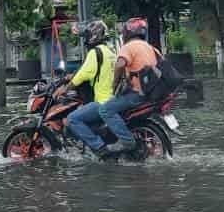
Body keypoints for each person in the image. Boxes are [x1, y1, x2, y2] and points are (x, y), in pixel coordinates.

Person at [96, 17, 159, 155]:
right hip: (151, 93)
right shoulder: (150, 47)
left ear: (128, 33)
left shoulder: (129, 47)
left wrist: (115, 84)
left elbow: (119, 65)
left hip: (137, 95)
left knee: (105, 110)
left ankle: (128, 142)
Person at [65, 20, 118, 154]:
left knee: (72, 118)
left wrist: (66, 88)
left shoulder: (95, 52)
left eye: (87, 36)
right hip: (114, 99)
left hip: (102, 102)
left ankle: (99, 147)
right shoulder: (110, 51)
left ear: (94, 36)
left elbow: (82, 75)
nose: (86, 39)